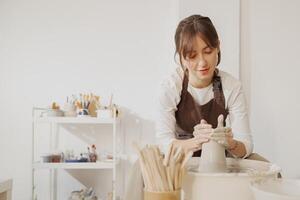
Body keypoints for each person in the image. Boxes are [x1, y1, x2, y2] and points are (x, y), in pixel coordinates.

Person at [156, 14, 253, 159]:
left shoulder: (231, 86)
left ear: (218, 47)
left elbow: (247, 146)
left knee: (264, 166)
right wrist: (196, 142)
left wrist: (231, 143)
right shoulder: (170, 86)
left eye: (208, 52)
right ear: (181, 57)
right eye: (192, 56)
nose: (202, 63)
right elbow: (164, 144)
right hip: (181, 161)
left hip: (219, 160)